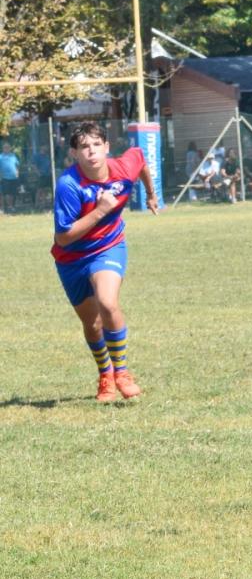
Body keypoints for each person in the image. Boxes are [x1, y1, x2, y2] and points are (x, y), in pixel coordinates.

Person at [52, 121, 160, 403]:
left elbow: (141, 159)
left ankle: (122, 372)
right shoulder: (69, 185)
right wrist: (101, 210)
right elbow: (63, 238)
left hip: (108, 247)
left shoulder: (123, 167)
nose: (92, 152)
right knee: (93, 324)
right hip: (71, 258)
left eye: (97, 145)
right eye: (84, 147)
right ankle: (105, 374)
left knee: (108, 302)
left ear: (107, 147)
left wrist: (150, 193)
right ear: (74, 153)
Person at [0, 139, 21, 213]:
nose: (7, 149)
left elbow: (17, 165)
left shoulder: (13, 156)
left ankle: (11, 206)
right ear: (3, 149)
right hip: (5, 178)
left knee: (13, 193)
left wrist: (17, 172)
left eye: (8, 147)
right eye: (5, 147)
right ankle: (9, 207)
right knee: (6, 193)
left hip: (14, 177)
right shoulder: (0, 157)